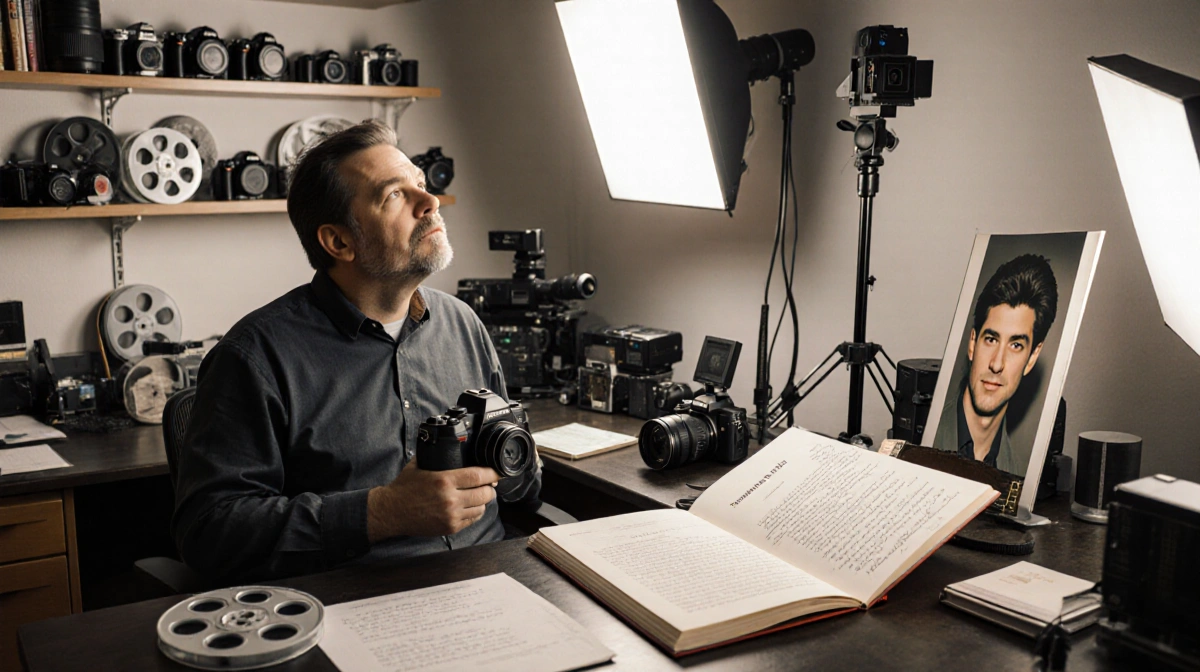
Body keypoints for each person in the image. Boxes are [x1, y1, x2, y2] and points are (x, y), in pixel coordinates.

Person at [172, 120, 541, 582]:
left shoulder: (463, 323)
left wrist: (517, 462)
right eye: (395, 196)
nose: (430, 203)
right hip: (353, 602)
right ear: (339, 241)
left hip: (489, 580)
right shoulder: (254, 358)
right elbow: (210, 533)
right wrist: (383, 513)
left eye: (421, 186)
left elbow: (521, 491)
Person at [932, 254, 1058, 474]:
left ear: (1032, 358)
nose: (997, 364)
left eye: (1016, 345)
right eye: (991, 339)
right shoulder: (922, 442)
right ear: (972, 343)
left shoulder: (1017, 477)